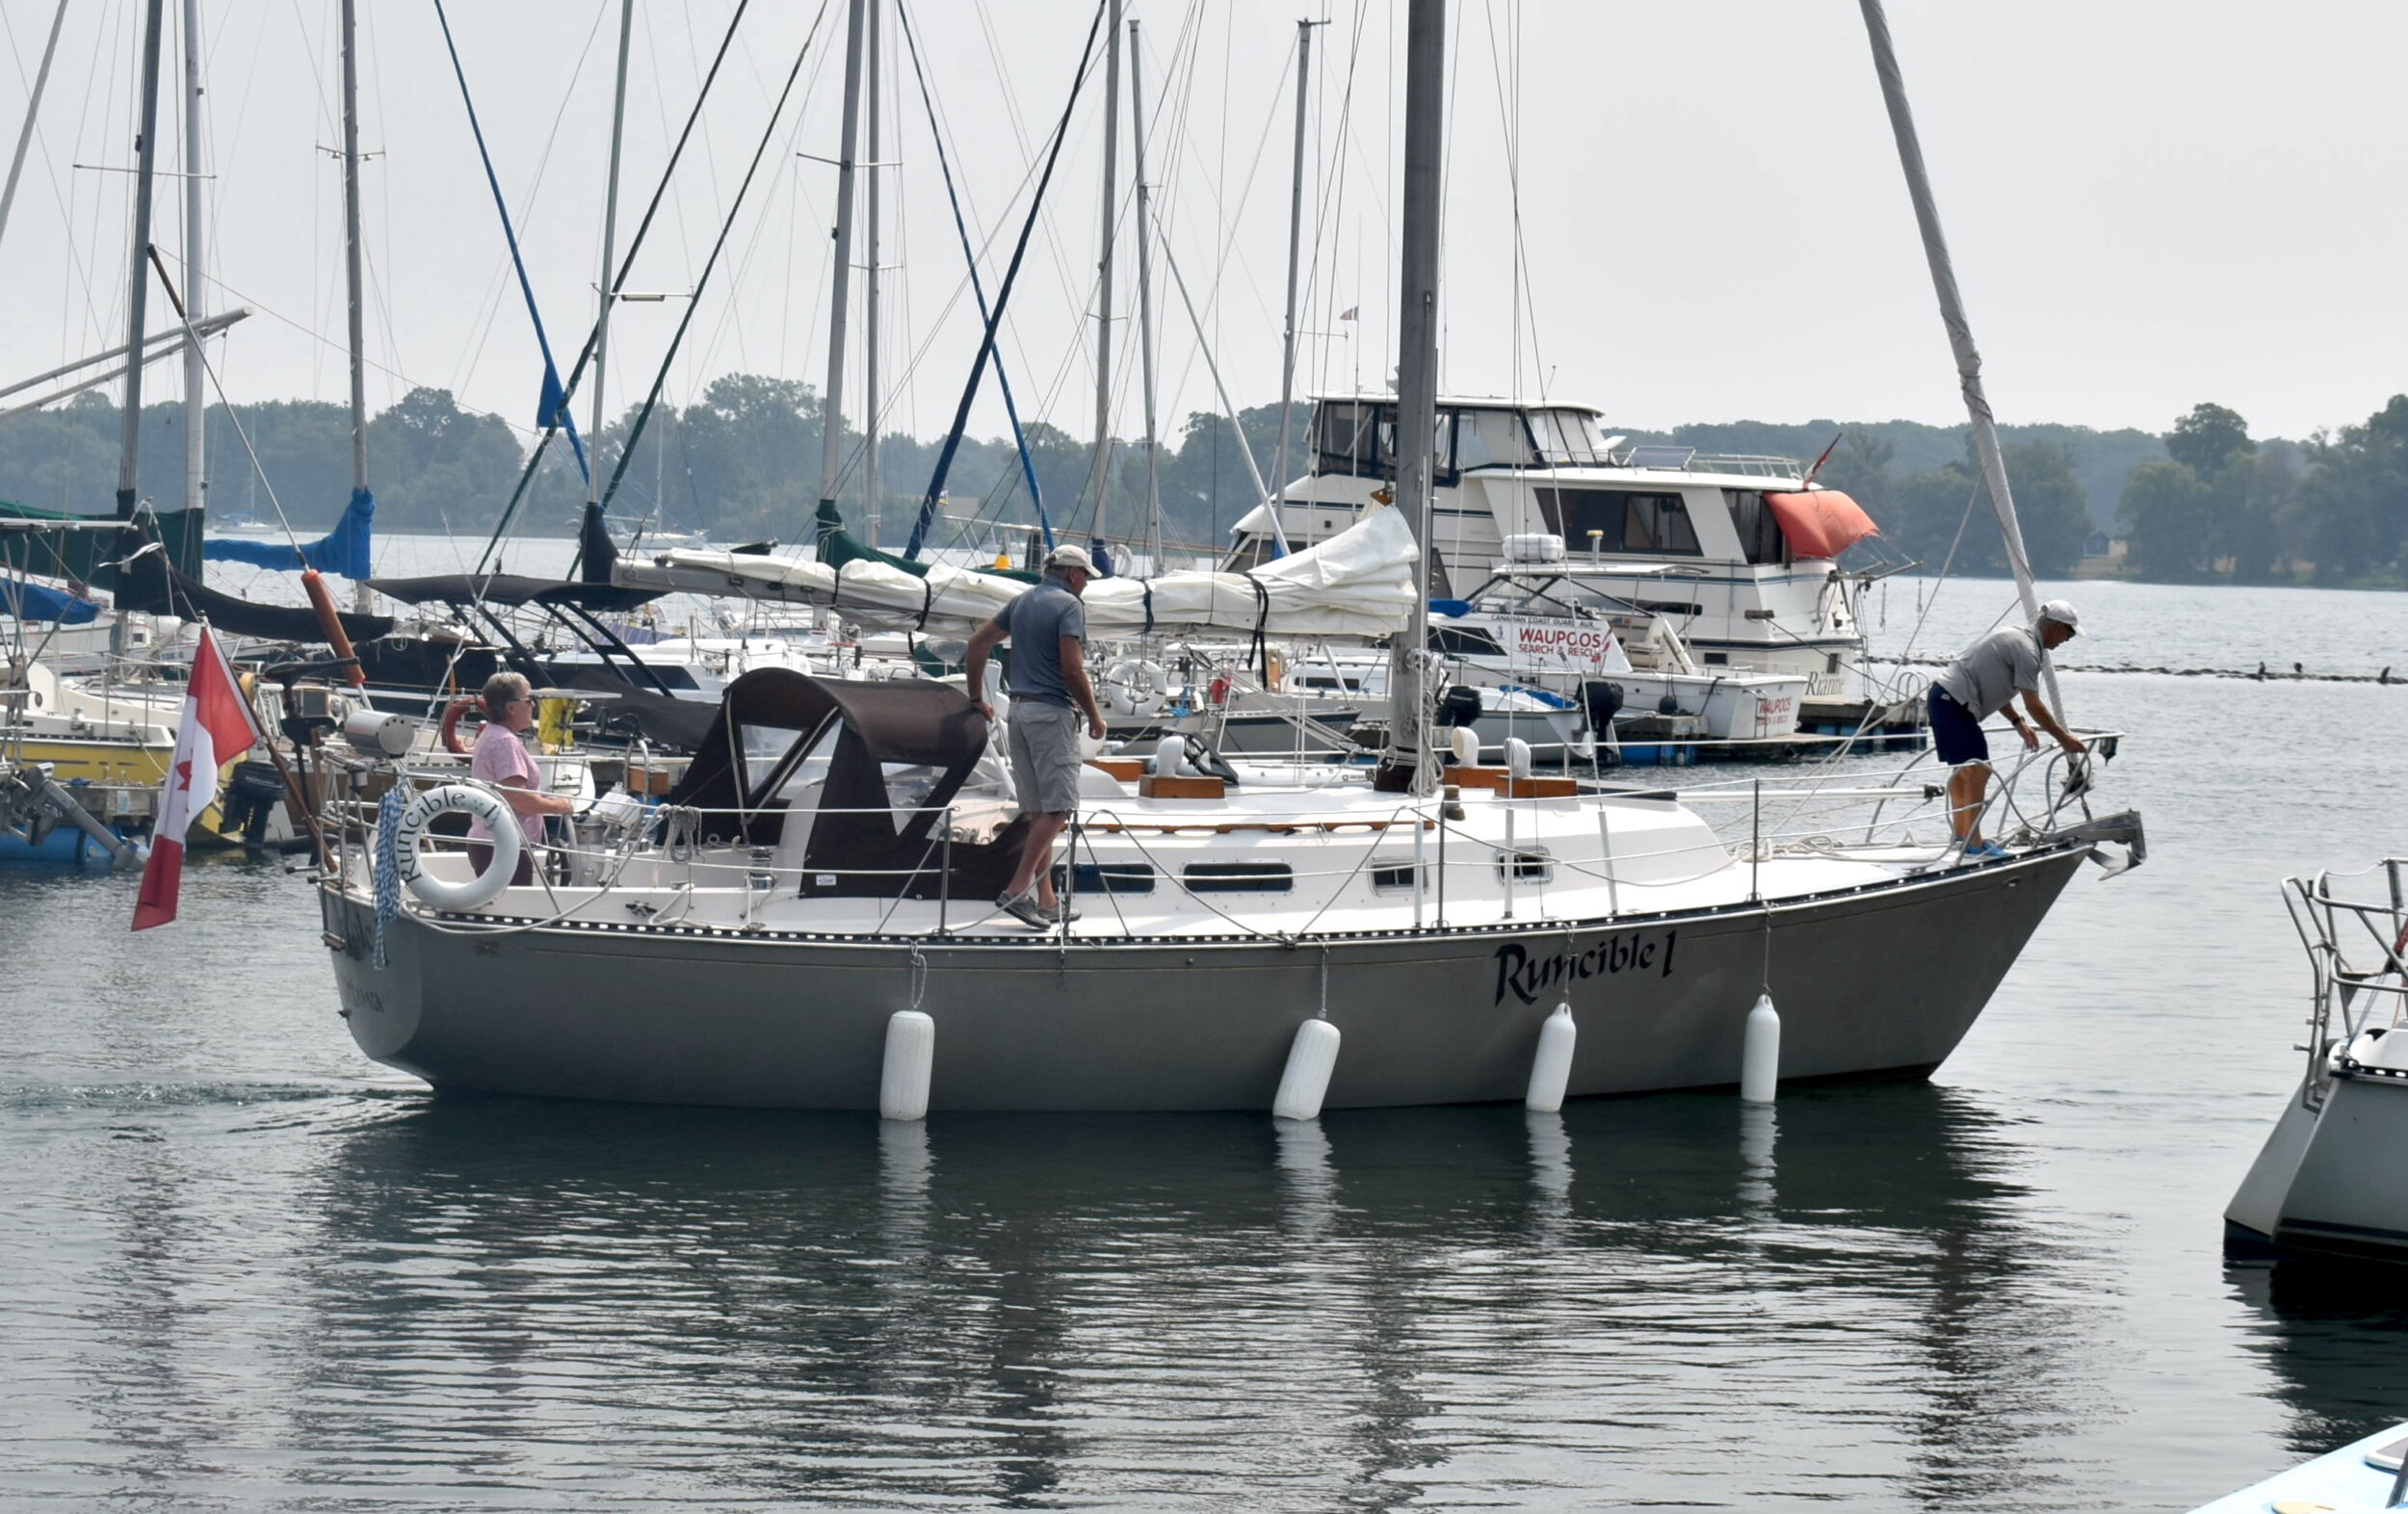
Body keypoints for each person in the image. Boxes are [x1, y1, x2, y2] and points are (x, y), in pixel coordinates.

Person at [964, 544, 1109, 928]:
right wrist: (1095, 716)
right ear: (1074, 574)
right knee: (1059, 808)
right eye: (1086, 579)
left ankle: (1046, 900)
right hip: (1050, 713)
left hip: (1019, 713)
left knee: (1039, 812)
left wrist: (977, 697)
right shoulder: (1068, 605)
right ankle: (1016, 891)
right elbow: (1072, 670)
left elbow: (978, 643)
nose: (1086, 588)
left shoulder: (1023, 600)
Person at [1926, 600, 2086, 859]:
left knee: (1965, 772)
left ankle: (1962, 835)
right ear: (2057, 627)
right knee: (1979, 772)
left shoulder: (2016, 636)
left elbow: (1994, 681)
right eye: (2068, 634)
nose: (2066, 641)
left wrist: (2017, 722)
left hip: (1943, 698)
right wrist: (2064, 738)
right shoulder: (2029, 652)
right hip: (1955, 704)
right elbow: (2034, 704)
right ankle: (1973, 843)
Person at [466, 671, 575, 886]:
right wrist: (560, 806)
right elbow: (520, 799)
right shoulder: (506, 742)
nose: (533, 705)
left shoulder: (491, 734)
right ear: (511, 707)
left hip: (491, 841)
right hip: (504, 846)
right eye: (528, 700)